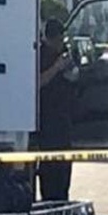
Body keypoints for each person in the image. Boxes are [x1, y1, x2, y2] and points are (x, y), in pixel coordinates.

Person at [38, 19, 76, 202]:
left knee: (64, 165)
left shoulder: (62, 53)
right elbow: (38, 82)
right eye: (58, 40)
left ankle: (62, 200)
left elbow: (73, 76)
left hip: (63, 117)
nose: (60, 43)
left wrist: (69, 68)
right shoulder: (40, 55)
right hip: (47, 119)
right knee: (50, 167)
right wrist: (56, 67)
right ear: (50, 38)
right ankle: (49, 202)